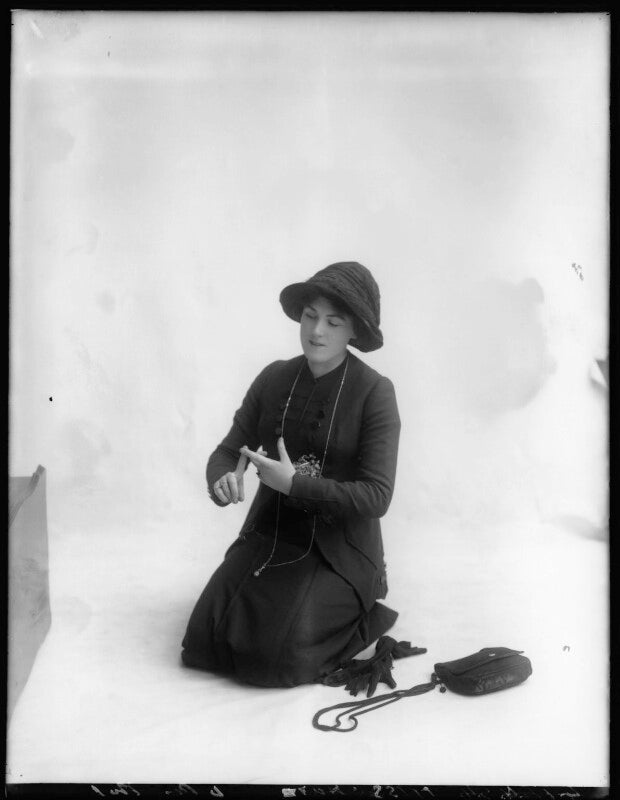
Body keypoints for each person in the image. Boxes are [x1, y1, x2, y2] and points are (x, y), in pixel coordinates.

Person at [181, 261, 403, 690]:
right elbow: (229, 449)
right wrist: (222, 479)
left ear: (354, 331)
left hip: (339, 550)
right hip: (271, 533)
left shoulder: (375, 392)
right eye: (309, 316)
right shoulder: (274, 377)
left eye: (333, 322)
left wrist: (295, 485)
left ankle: (357, 610)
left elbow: (378, 496)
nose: (316, 331)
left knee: (275, 658)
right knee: (202, 642)